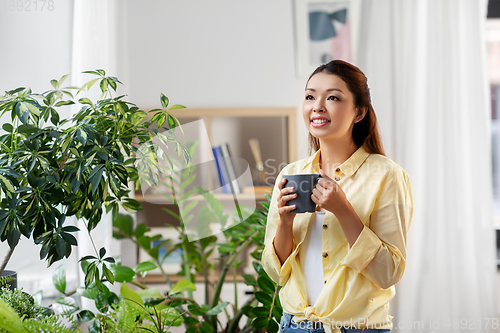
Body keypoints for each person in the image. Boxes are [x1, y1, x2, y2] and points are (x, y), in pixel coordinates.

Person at [261, 60, 414, 333]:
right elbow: (276, 273)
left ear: (359, 112)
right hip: (293, 325)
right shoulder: (291, 173)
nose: (317, 106)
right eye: (310, 96)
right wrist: (284, 222)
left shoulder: (387, 176)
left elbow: (389, 272)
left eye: (332, 97)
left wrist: (343, 210)